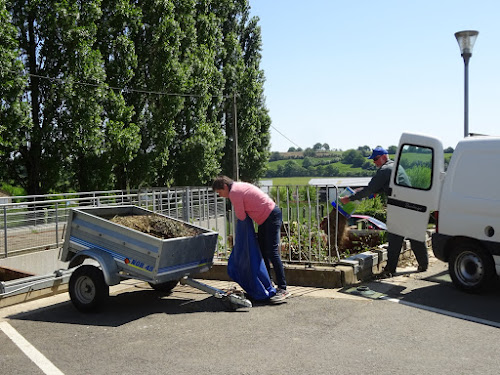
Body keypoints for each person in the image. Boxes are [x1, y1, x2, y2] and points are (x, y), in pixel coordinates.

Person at [340, 147, 428, 277]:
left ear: (383, 157)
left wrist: (349, 198)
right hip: (412, 206)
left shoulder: (384, 170)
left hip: (400, 208)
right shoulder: (396, 167)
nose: (374, 162)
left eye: (375, 159)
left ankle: (390, 269)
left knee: (394, 239)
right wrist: (370, 191)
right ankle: (423, 265)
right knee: (415, 236)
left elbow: (370, 189)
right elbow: (386, 187)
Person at [212, 175, 290, 302]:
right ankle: (268, 286)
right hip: (267, 217)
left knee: (271, 251)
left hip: (270, 216)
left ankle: (283, 288)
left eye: (220, 192)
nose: (220, 195)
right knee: (264, 251)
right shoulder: (238, 187)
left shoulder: (235, 192)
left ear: (225, 187)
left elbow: (241, 216)